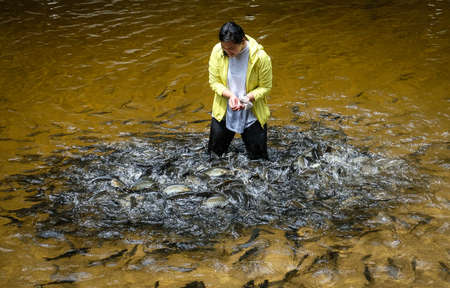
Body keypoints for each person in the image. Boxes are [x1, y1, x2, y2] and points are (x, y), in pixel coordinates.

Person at [207, 21, 272, 160]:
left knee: (259, 161)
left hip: (252, 111)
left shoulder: (260, 57)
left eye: (231, 48)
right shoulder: (217, 51)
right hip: (224, 110)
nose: (227, 52)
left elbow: (266, 87)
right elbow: (214, 82)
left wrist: (248, 98)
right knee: (214, 157)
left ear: (242, 41)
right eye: (224, 48)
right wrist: (230, 96)